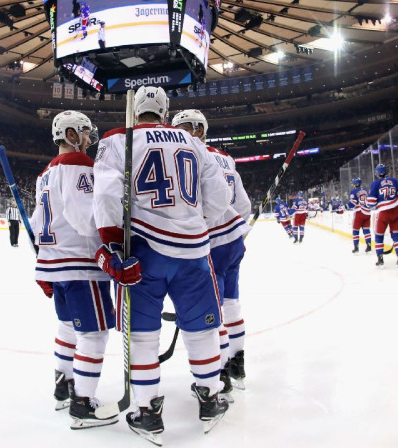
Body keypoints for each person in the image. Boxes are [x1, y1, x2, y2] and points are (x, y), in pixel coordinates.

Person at [94, 86, 232, 443]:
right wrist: (194, 219)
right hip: (193, 253)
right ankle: (210, 396)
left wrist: (112, 244)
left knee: (142, 335)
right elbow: (219, 199)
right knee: (200, 330)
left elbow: (106, 194)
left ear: (136, 111)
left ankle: (146, 410)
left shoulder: (117, 140)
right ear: (166, 112)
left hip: (143, 252)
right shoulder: (194, 144)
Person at [29, 110, 118, 429]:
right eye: (82, 132)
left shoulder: (45, 173)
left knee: (68, 327)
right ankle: (83, 403)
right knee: (94, 334)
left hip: (56, 264)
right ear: (69, 135)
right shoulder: (78, 164)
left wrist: (43, 266)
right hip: (81, 265)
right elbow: (85, 216)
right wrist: (106, 251)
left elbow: (40, 222)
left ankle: (63, 386)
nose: (87, 138)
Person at [172, 109, 251, 396]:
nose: (179, 133)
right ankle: (238, 363)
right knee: (231, 303)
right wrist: (239, 230)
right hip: (232, 240)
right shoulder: (226, 158)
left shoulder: (190, 156)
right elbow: (242, 204)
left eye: (184, 128)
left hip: (210, 243)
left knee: (213, 310)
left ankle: (222, 372)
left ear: (199, 130)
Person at [367, 164, 398, 267]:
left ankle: (380, 259)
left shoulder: (375, 183)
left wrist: (369, 204)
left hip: (383, 213)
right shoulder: (394, 181)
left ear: (376, 173)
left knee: (379, 236)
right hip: (395, 211)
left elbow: (371, 202)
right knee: (396, 235)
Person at [348, 178, 372, 253]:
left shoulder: (353, 191)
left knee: (355, 230)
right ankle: (369, 246)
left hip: (359, 212)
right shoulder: (365, 190)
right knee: (366, 230)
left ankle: (356, 247)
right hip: (367, 213)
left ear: (355, 184)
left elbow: (353, 203)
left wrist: (344, 207)